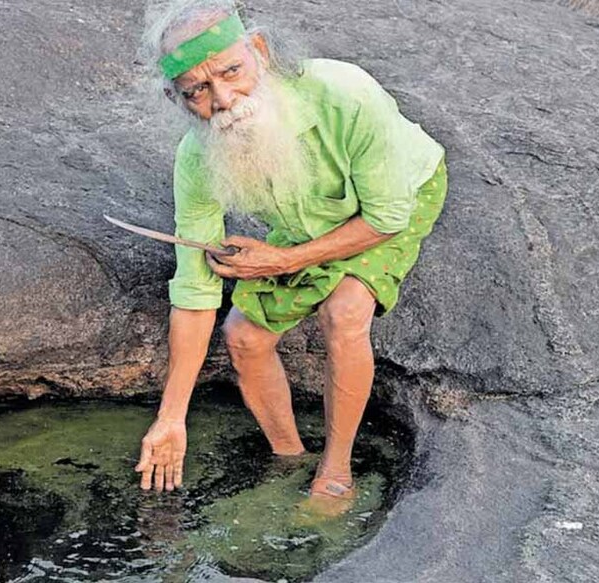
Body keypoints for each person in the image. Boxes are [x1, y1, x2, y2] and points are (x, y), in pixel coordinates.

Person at [133, 0, 447, 512]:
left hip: (392, 202)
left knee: (344, 311)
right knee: (243, 336)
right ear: (177, 99)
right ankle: (289, 457)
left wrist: (283, 260)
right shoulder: (195, 159)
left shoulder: (344, 92)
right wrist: (171, 417)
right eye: (197, 91)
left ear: (258, 50)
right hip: (306, 224)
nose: (224, 99)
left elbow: (386, 216)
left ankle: (336, 472)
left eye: (231, 71)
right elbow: (194, 290)